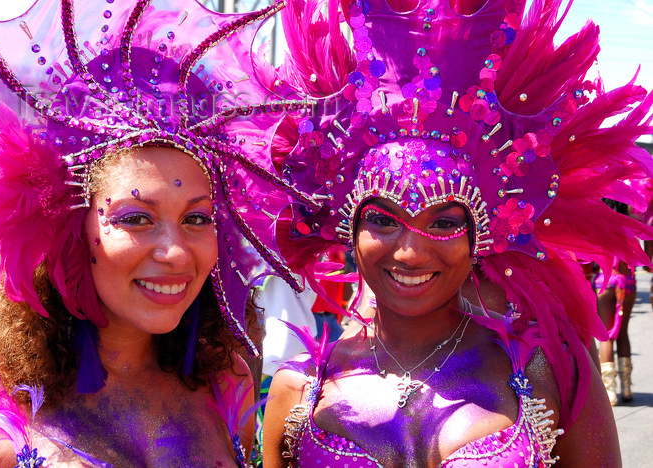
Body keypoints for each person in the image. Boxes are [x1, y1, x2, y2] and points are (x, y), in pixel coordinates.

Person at [261, 0, 653, 466]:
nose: (409, 251)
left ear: (481, 234)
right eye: (383, 219)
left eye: (444, 222)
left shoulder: (548, 373)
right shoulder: (299, 390)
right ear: (348, 225)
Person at [0, 0, 316, 465]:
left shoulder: (228, 379)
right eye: (136, 218)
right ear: (70, 224)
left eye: (197, 218)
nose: (175, 253)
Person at [593, 201, 637, 405]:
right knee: (623, 333)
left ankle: (610, 393)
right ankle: (627, 388)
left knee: (605, 337)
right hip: (626, 283)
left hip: (605, 283)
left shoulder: (598, 226)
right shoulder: (631, 225)